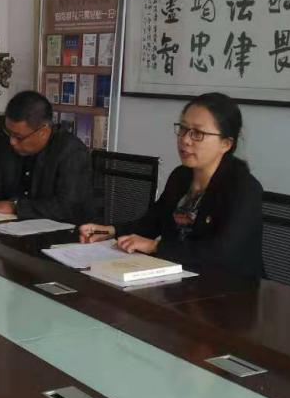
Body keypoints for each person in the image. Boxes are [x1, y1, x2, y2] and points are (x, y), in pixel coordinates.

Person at [78, 92, 263, 279]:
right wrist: (111, 231)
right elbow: (152, 223)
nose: (185, 140)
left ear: (225, 144)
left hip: (229, 287)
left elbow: (221, 253)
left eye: (197, 133)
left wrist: (155, 247)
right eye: (183, 129)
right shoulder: (181, 176)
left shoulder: (244, 189)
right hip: (179, 278)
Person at [0, 90, 94, 224]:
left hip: (60, 236)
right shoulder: (8, 145)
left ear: (43, 131)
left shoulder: (71, 152)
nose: (12, 142)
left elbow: (68, 207)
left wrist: (15, 207)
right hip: (10, 229)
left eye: (18, 137)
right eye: (9, 133)